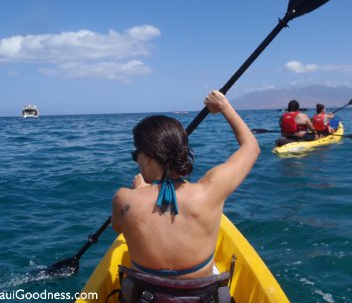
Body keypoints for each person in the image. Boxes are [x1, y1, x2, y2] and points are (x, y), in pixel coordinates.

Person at [110, 90, 259, 302]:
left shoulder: (124, 199)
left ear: (148, 157)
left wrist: (140, 192)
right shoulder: (210, 191)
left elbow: (118, 227)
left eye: (136, 154)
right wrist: (224, 106)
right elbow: (251, 148)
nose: (137, 160)